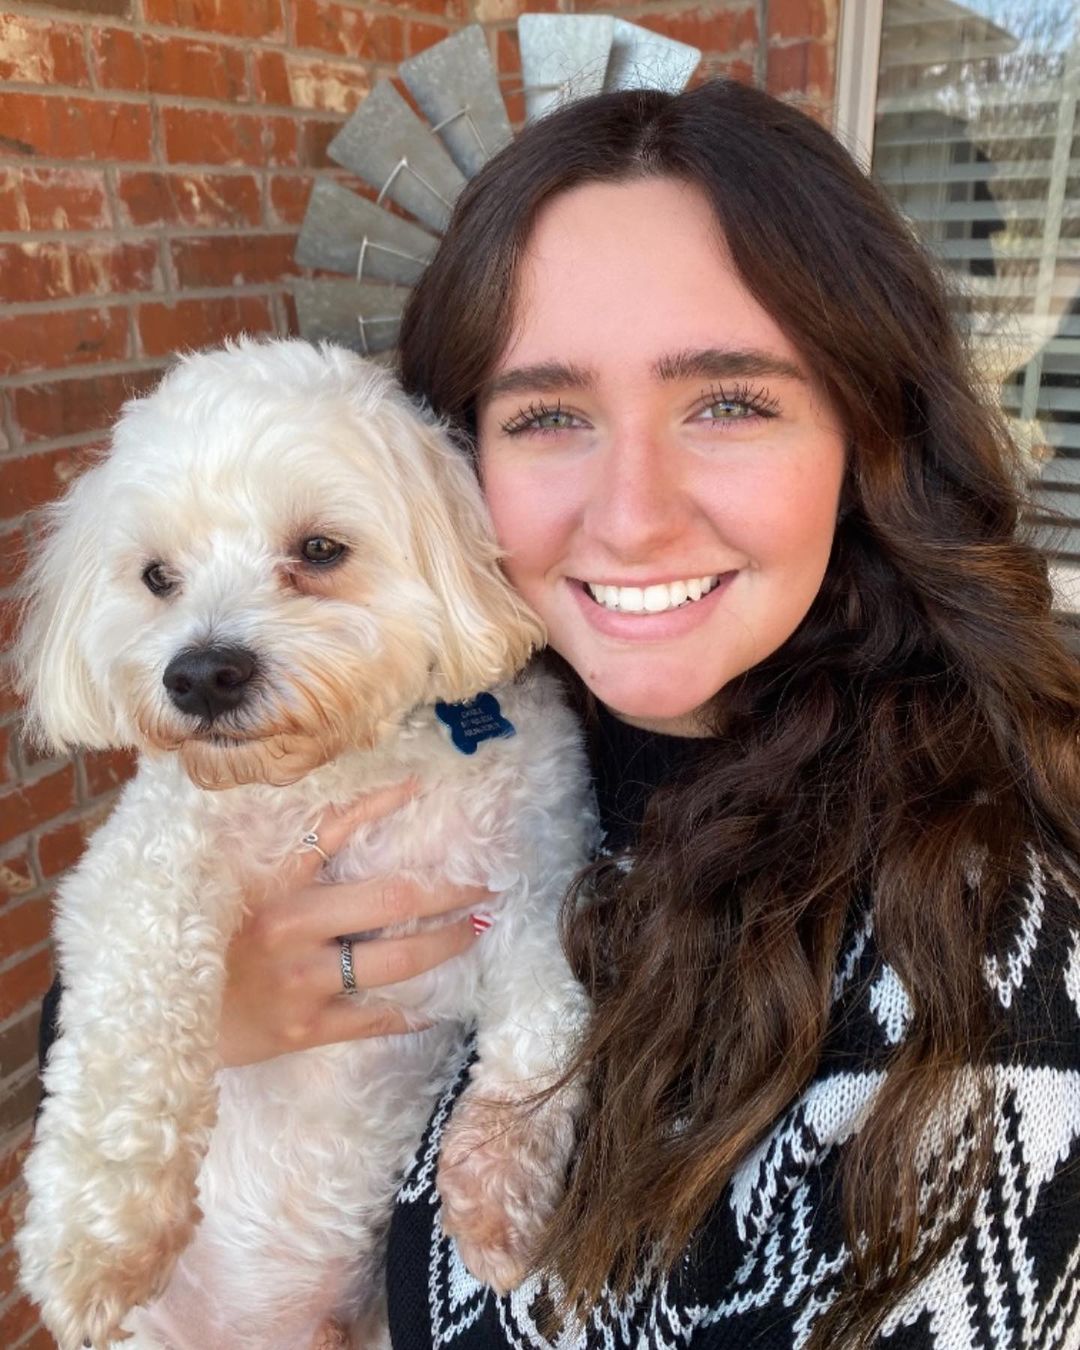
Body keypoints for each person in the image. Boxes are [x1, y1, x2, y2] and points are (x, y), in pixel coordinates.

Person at [39, 81, 1080, 1347]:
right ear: (464, 456)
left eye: (730, 401)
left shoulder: (985, 963)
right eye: (547, 415)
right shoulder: (503, 728)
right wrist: (214, 1014)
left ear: (869, 433)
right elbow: (140, 944)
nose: (632, 515)